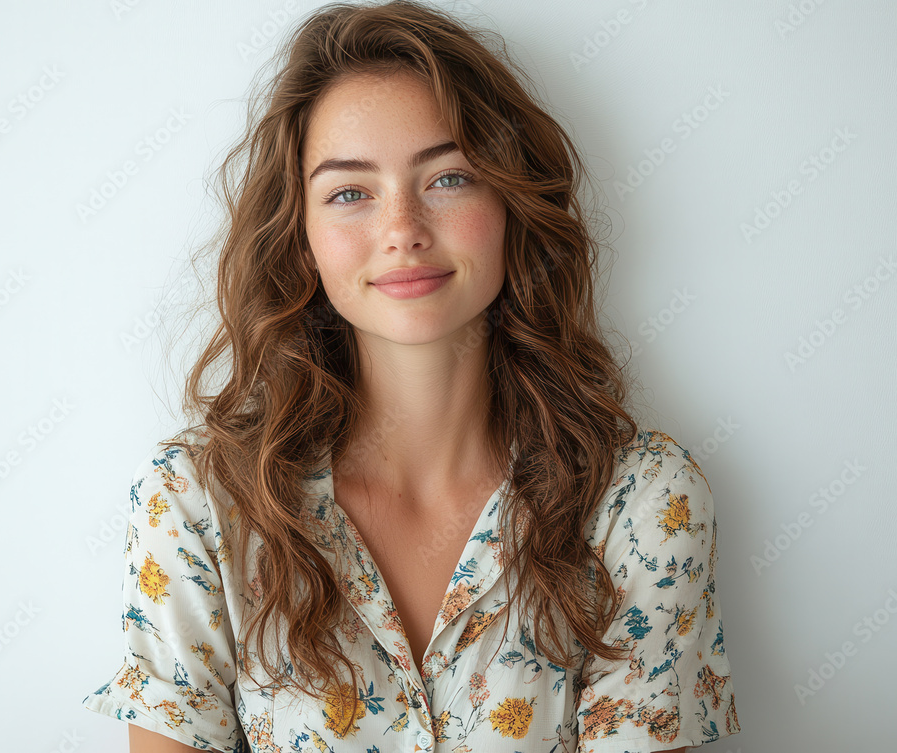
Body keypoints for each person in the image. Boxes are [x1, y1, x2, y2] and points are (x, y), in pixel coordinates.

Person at [81, 1, 742, 751]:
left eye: (449, 177)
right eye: (350, 192)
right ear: (302, 238)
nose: (402, 229)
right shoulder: (197, 504)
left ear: (510, 204)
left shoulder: (644, 504)